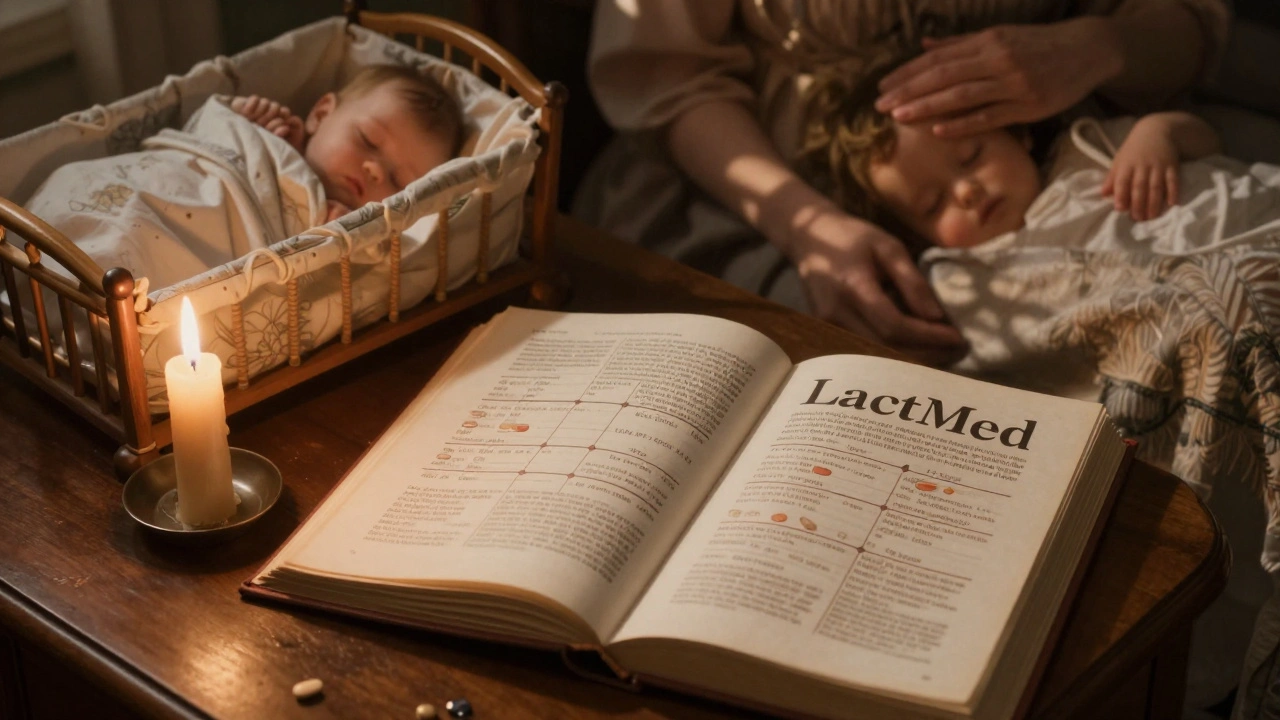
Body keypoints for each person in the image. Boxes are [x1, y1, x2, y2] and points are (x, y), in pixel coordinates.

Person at [577, 1, 1228, 365]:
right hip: (761, 176)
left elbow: (1189, 23)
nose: (965, 190)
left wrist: (1096, 45)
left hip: (1075, 129)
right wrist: (812, 227)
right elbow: (668, 74)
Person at [231, 64, 463, 223]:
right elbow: (209, 142)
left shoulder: (351, 239)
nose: (375, 171)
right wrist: (243, 125)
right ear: (321, 114)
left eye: (398, 182)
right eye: (367, 140)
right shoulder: (270, 135)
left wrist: (338, 239)